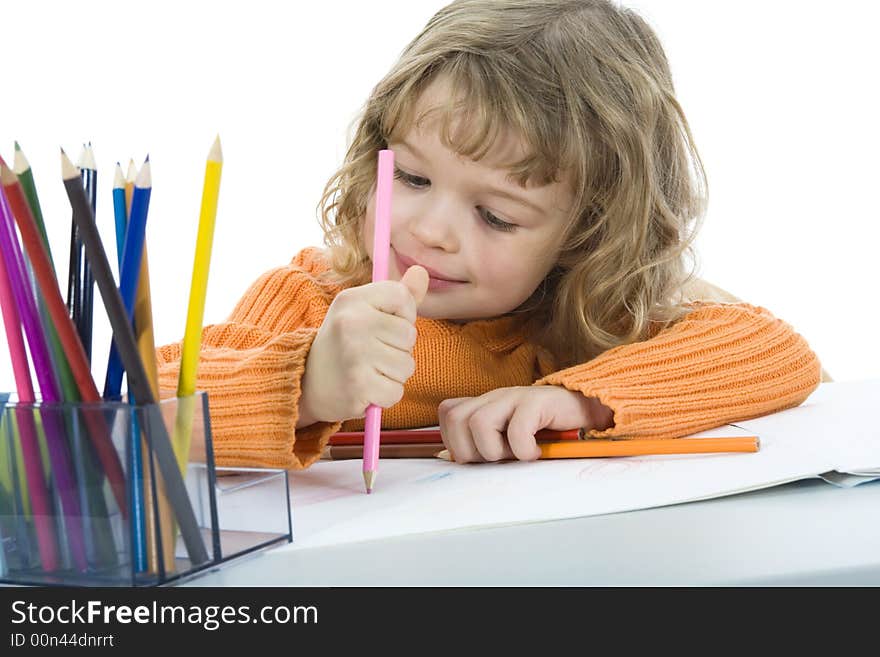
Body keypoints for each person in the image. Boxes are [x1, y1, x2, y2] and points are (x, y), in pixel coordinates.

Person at [157, 0, 822, 469]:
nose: (430, 230)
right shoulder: (310, 300)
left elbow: (778, 351)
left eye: (496, 216)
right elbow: (128, 411)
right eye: (413, 178)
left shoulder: (581, 322)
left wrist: (577, 400)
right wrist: (308, 383)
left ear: (586, 233)